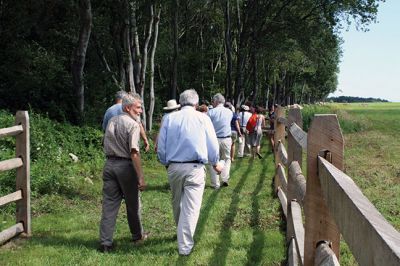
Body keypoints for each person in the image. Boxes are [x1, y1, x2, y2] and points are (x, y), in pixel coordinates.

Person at [157, 89, 223, 256]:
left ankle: (181, 234)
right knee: (191, 207)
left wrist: (165, 162)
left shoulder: (169, 118)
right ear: (196, 103)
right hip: (195, 167)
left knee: (177, 202)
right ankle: (185, 246)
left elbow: (162, 144)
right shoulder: (203, 118)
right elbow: (212, 144)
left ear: (181, 102)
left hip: (173, 166)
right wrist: (215, 162)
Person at [99, 92, 148, 253]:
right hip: (125, 166)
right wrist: (140, 176)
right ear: (128, 108)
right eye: (138, 107)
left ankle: (105, 242)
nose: (140, 111)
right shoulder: (132, 125)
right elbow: (134, 152)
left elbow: (104, 142)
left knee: (109, 205)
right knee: (133, 204)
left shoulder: (112, 121)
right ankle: (137, 236)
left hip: (109, 165)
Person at [208, 93, 233, 188]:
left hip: (214, 139)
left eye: (213, 101)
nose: (212, 103)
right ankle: (225, 178)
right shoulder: (229, 112)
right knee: (226, 158)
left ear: (216, 101)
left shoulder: (211, 112)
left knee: (213, 160)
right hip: (226, 138)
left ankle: (215, 184)